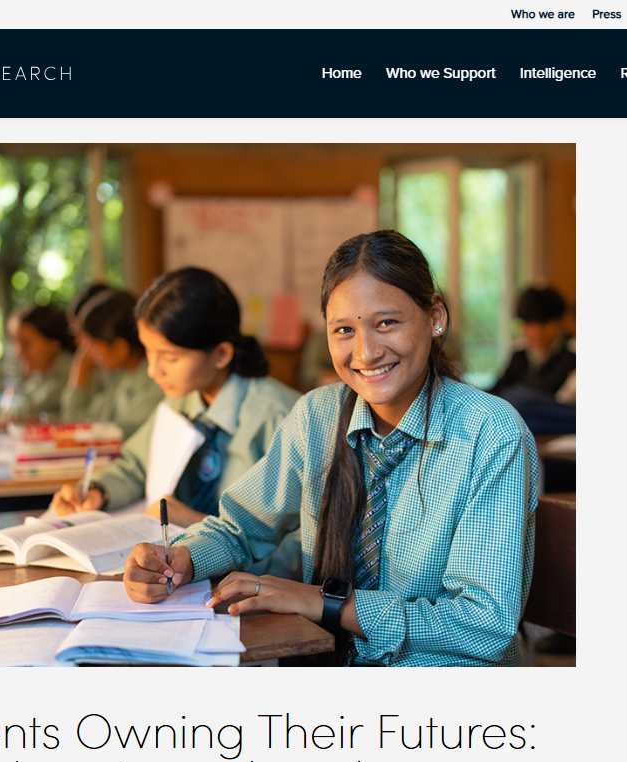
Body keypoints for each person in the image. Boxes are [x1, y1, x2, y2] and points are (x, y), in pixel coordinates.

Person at [123, 231, 539, 667]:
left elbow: (481, 624)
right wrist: (179, 559)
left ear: (434, 316)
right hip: (325, 658)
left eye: (386, 323)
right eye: (344, 330)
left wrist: (327, 603)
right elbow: (240, 526)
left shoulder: (491, 434)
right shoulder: (317, 417)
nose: (366, 352)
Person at [50, 267, 302, 575]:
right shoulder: (181, 400)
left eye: (170, 357)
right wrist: (99, 490)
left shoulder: (283, 417)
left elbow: (300, 551)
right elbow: (136, 464)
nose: (153, 371)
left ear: (221, 354)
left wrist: (196, 524)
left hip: (254, 590)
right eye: (148, 352)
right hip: (178, 578)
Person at [59, 289, 163, 439]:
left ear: (119, 348)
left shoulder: (153, 384)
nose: (87, 352)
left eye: (93, 345)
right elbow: (79, 422)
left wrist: (80, 372)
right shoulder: (123, 378)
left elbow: (116, 435)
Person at [489, 285, 576, 436]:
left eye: (544, 324)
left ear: (559, 322)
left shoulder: (573, 353)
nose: (536, 332)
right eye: (529, 324)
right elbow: (496, 391)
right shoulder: (519, 354)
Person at [4, 304, 75, 420]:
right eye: (15, 343)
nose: (18, 352)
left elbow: (27, 410)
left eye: (25, 343)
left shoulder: (70, 373)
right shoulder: (41, 375)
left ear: (53, 344)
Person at [61, 282, 114, 418]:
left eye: (83, 332)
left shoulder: (118, 372)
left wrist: (81, 369)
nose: (78, 341)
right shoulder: (100, 369)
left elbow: (73, 419)